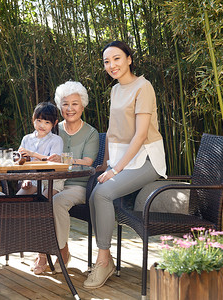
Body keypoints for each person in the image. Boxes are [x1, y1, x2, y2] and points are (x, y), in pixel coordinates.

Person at [83, 41, 166, 289]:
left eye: (117, 59)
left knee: (103, 194)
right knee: (93, 193)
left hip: (146, 158)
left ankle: (104, 260)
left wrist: (115, 170)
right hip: (122, 158)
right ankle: (104, 258)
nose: (112, 65)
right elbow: (111, 131)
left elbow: (140, 136)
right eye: (107, 61)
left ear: (129, 59)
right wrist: (106, 162)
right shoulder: (115, 90)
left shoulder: (144, 87)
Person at [31, 81, 99, 275]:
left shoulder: (91, 133)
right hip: (50, 181)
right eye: (65, 104)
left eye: (75, 104)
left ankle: (62, 251)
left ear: (83, 105)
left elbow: (88, 161)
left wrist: (65, 159)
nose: (70, 109)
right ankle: (42, 253)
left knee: (56, 201)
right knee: (38, 199)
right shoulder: (51, 127)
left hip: (78, 185)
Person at [17, 101, 64, 197]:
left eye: (47, 122)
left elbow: (52, 162)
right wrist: (25, 178)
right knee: (17, 201)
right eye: (39, 121)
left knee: (43, 204)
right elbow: (20, 163)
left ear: (54, 123)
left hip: (52, 180)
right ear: (33, 119)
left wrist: (32, 154)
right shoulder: (26, 139)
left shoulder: (56, 140)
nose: (42, 125)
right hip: (33, 179)